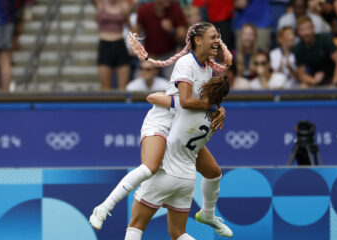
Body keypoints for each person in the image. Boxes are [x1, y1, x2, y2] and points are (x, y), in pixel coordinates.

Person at [90, 22, 233, 238]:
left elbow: (203, 99)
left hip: (181, 126)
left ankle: (208, 214)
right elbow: (185, 101)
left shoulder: (208, 69)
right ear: (198, 40)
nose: (217, 41)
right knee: (151, 166)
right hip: (162, 122)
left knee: (213, 172)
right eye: (213, 37)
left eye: (218, 36)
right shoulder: (186, 63)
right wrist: (212, 107)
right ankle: (104, 207)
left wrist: (218, 108)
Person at [125, 75, 230, 240]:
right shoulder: (215, 114)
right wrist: (217, 108)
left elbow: (151, 97)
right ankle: (208, 213)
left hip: (167, 170)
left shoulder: (185, 104)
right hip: (187, 177)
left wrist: (176, 97)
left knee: (135, 226)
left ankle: (104, 207)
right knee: (178, 233)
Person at [134, 0, 188, 79]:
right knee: (139, 81)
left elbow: (183, 38)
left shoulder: (176, 10)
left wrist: (171, 30)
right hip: (150, 54)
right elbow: (135, 33)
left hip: (169, 55)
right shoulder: (144, 9)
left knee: (175, 81)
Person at [92, 0, 132, 90]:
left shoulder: (124, 6)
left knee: (123, 88)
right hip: (105, 45)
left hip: (120, 44)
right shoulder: (100, 4)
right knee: (106, 88)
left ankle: (123, 104)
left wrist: (132, 46)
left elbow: (130, 28)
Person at [293, 16, 337, 87]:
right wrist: (313, 80)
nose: (306, 33)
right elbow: (301, 75)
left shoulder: (325, 39)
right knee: (303, 86)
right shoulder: (298, 48)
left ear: (313, 28)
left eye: (308, 28)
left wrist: (334, 83)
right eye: (302, 30)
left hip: (334, 75)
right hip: (316, 77)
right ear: (298, 32)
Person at [0, 0, 15, 91]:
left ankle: (5, 94)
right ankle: (4, 93)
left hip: (0, 20)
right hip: (4, 20)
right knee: (3, 59)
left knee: (3, 59)